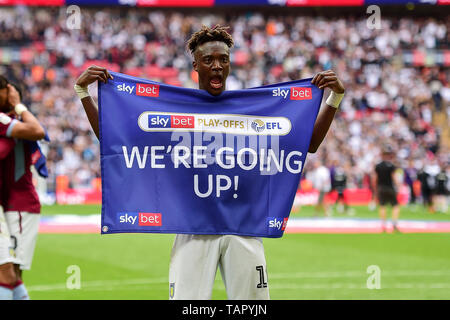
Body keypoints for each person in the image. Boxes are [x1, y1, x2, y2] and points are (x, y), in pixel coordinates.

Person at [74, 25, 345, 300]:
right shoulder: (173, 108)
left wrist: (334, 98)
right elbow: (115, 138)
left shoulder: (253, 108)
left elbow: (307, 144)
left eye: (223, 60)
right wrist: (84, 93)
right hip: (193, 228)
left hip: (244, 228)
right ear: (195, 65)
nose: (217, 66)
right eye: (208, 60)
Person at [0, 76, 45, 300]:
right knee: (9, 273)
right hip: (10, 204)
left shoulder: (14, 122)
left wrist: (18, 105)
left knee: (11, 271)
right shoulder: (12, 123)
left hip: (19, 205)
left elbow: (39, 131)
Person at [374, 146, 401, 233]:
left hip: (381, 187)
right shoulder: (391, 165)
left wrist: (375, 188)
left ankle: (383, 226)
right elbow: (394, 177)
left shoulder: (378, 166)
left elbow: (375, 178)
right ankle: (394, 224)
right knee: (395, 206)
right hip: (390, 187)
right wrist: (398, 186)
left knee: (382, 206)